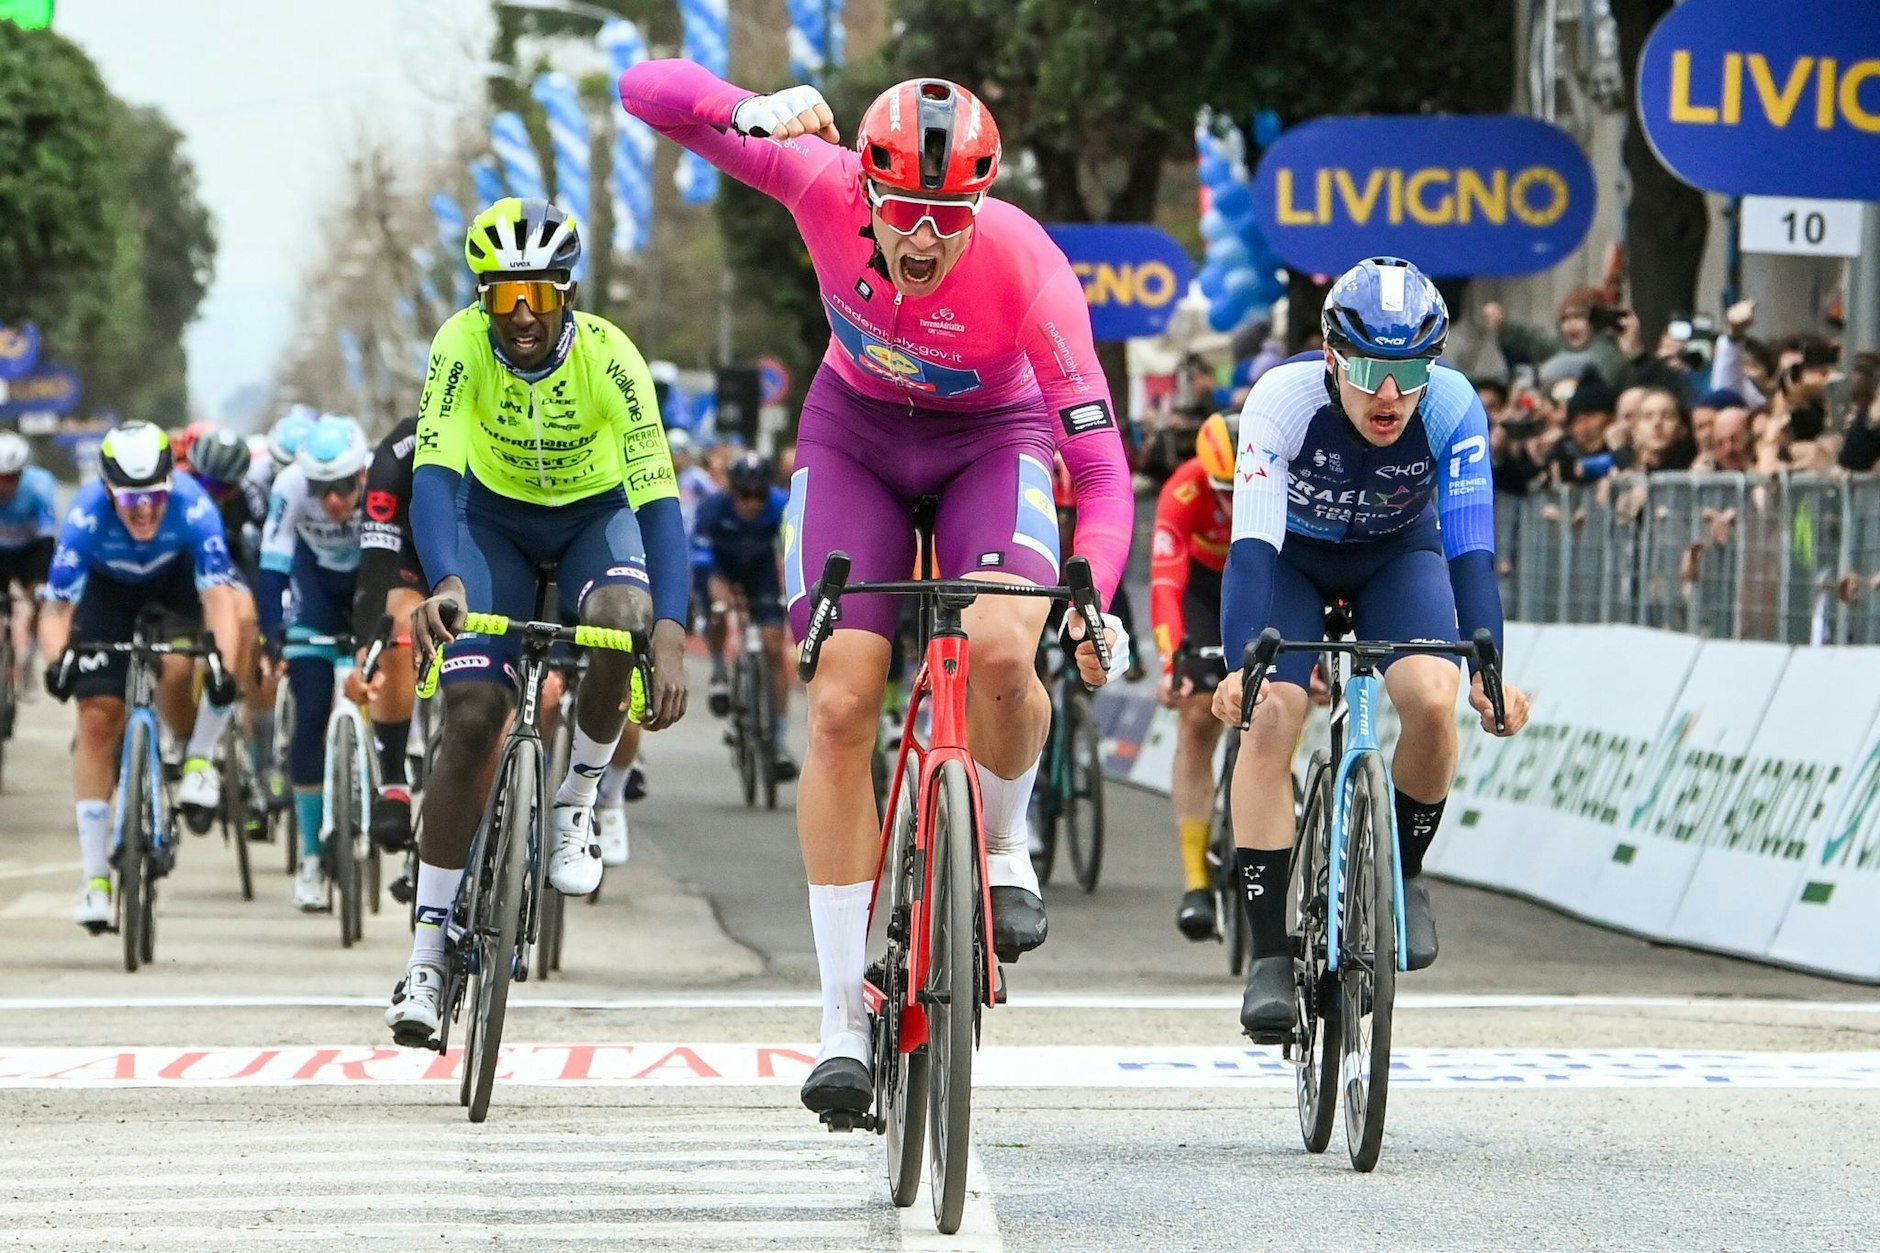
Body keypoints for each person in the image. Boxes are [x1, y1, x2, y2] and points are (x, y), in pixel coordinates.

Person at [621, 63, 1131, 1117]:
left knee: (1001, 649)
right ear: (866, 188)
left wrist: (1092, 593)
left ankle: (999, 838)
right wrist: (744, 107)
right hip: (850, 438)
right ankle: (838, 1017)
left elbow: (1102, 471)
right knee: (844, 701)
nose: (923, 237)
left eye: (949, 215)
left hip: (994, 441)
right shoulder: (816, 182)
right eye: (902, 209)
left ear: (979, 204)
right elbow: (642, 91)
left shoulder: (1027, 267)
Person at [387, 196, 690, 1047]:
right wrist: (447, 580)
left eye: (540, 297)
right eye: (501, 297)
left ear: (568, 294)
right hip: (492, 525)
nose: (520, 316)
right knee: (472, 720)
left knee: (622, 617)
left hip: (594, 517)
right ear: (481, 297)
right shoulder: (458, 346)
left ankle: (578, 797)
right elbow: (437, 479)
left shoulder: (611, 359)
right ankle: (425, 953)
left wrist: (670, 629)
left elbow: (660, 505)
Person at [1213, 256, 1531, 1040]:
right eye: (1366, 369)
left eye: (1409, 368)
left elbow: (1470, 554)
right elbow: (1251, 549)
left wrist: (1490, 671)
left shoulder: (1453, 406)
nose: (1389, 395)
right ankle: (1268, 953)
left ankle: (1405, 871)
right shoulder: (1280, 402)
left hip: (1397, 555)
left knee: (1432, 701)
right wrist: (1239, 667)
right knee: (1273, 715)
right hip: (1290, 559)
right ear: (1329, 356)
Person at [39, 423, 242, 930]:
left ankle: (199, 759)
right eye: (131, 501)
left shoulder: (195, 507)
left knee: (192, 664)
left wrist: (220, 665)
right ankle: (95, 882)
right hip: (109, 594)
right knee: (96, 720)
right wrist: (56, 659)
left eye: (154, 496)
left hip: (175, 586)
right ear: (109, 492)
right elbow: (57, 606)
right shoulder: (85, 513)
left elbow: (219, 601)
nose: (146, 510)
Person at [259, 415, 374, 911]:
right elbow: (272, 562)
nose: (332, 500)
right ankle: (310, 856)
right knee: (310, 712)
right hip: (314, 594)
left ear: (363, 476)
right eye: (322, 488)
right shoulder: (289, 486)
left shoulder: (384, 486)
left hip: (370, 582)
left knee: (384, 683)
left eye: (343, 487)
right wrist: (271, 637)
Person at [1150, 410, 1237, 941]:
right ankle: (1196, 882)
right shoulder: (1183, 492)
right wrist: (1171, 664)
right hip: (1206, 586)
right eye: (1219, 489)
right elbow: (1166, 585)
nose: (1229, 502)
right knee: (1198, 716)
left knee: (1280, 700)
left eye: (1237, 488)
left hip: (1267, 571)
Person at [696, 449, 798, 780]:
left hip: (761, 573)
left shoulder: (781, 505)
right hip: (720, 568)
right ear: (732, 491)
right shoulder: (713, 507)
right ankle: (719, 672)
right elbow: (697, 552)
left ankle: (778, 739)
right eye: (744, 494)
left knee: (772, 649)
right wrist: (717, 588)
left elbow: (796, 545)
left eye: (759, 495)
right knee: (717, 611)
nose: (751, 503)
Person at [350, 416, 426, 853]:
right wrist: (368, 647)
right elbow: (376, 561)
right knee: (397, 626)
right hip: (416, 558)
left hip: (491, 551)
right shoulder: (400, 449)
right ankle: (394, 779)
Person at [0, 431, 59, 694]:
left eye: (11, 477)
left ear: (22, 473)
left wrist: (41, 587)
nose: (5, 485)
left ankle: (28, 655)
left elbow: (47, 536)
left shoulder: (40, 484)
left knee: (40, 597)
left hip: (31, 549)